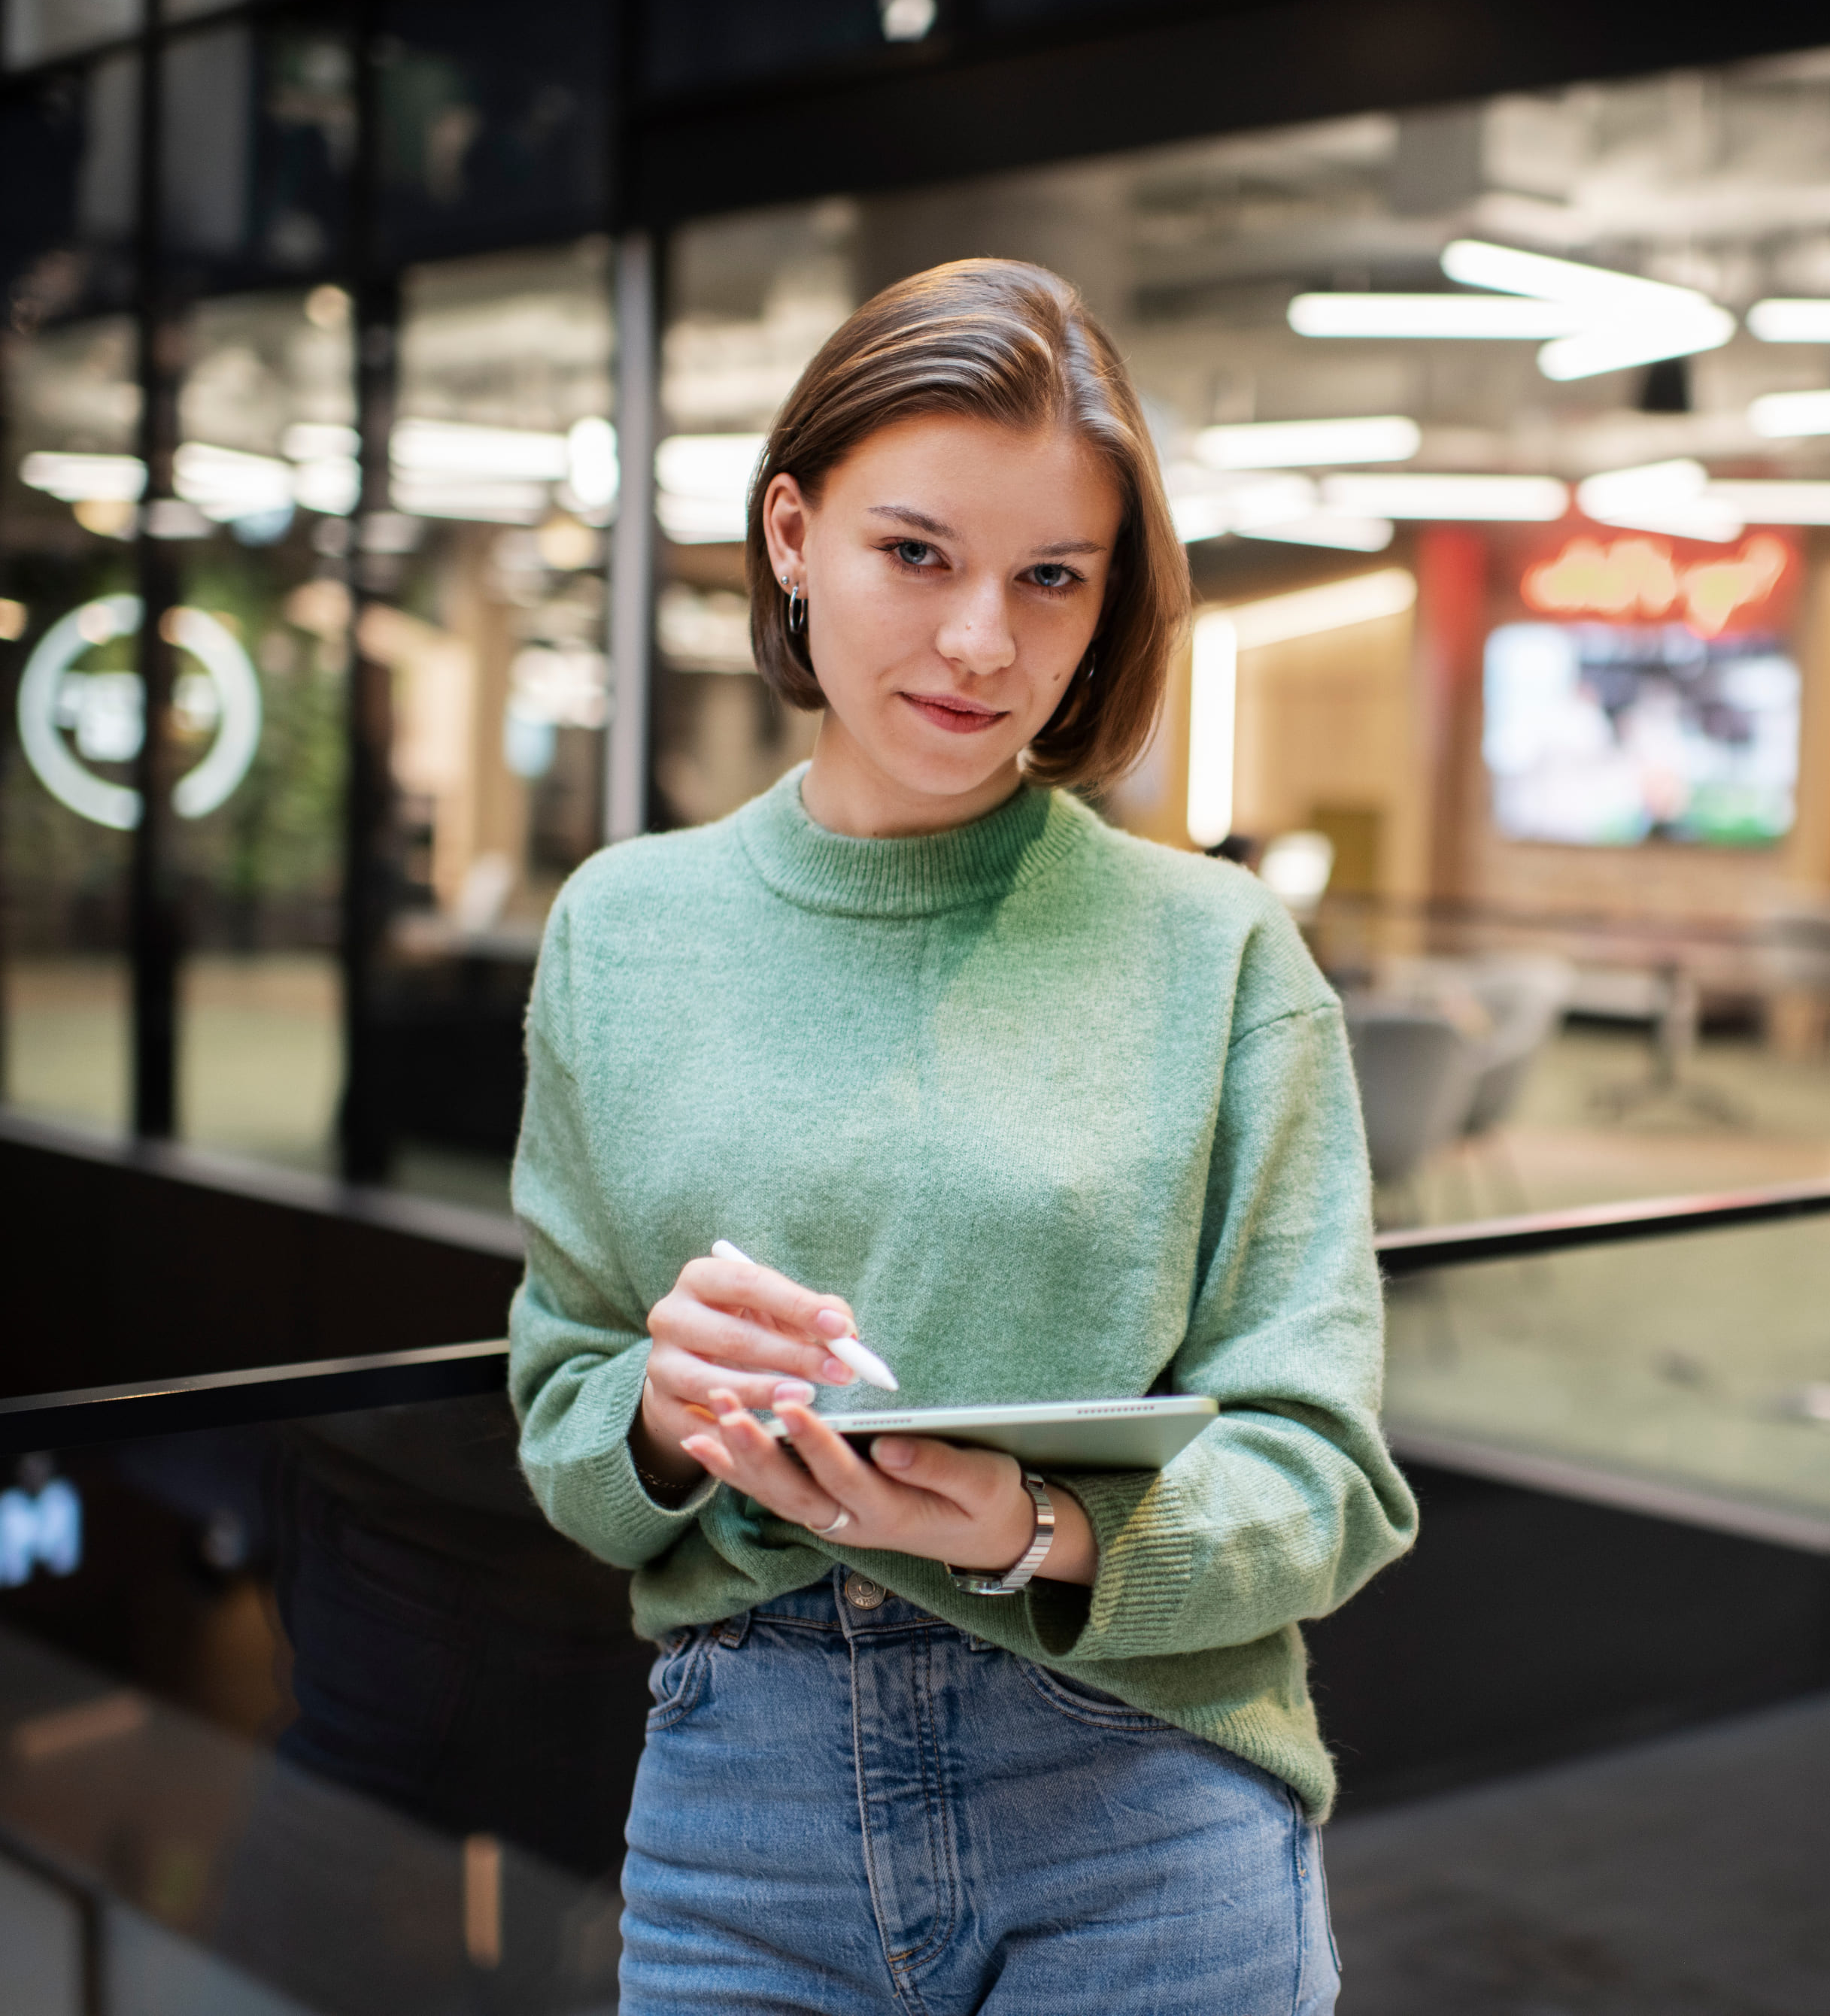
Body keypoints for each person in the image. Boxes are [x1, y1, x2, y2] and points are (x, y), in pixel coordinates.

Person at [507, 259, 1415, 2014]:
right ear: (792, 532)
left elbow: (1327, 1472)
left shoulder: (1213, 950)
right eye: (915, 553)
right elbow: (564, 1415)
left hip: (1135, 1787)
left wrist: (1028, 1525)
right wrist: (662, 1415)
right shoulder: (622, 930)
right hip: (739, 1796)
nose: (983, 641)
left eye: (1050, 578)